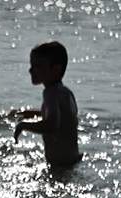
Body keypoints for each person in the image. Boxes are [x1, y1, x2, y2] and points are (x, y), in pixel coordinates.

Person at [8, 41, 82, 173]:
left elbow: (51, 125)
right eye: (31, 65)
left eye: (37, 66)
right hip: (72, 161)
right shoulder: (65, 93)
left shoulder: (51, 93)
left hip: (60, 166)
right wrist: (25, 113)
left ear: (55, 69)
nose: (30, 70)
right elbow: (56, 117)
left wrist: (23, 125)